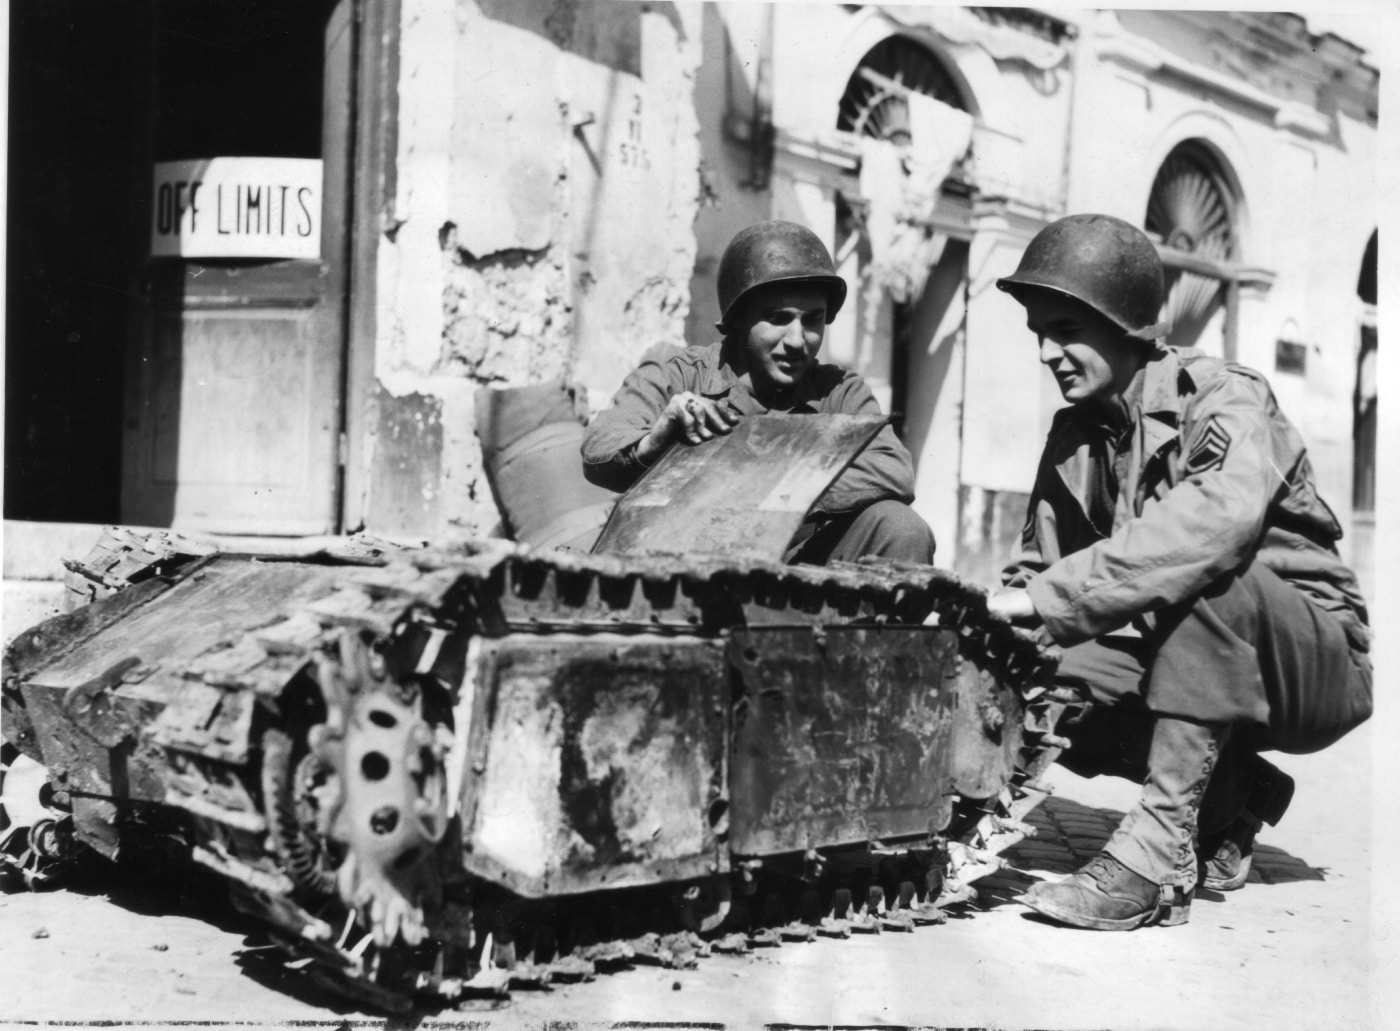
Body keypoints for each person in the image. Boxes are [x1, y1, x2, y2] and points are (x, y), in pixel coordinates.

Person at [989, 213, 1372, 930]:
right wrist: (990, 626)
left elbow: (1209, 531)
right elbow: (1039, 568)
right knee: (1032, 665)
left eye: (1066, 329)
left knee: (1202, 576)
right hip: (1197, 657)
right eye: (1040, 332)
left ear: (1125, 323)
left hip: (1313, 662)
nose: (1047, 351)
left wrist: (1043, 598)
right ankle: (1233, 794)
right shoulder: (1076, 434)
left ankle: (1155, 857)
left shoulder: (1224, 396)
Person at [582, 219, 935, 566]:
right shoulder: (676, 373)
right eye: (778, 318)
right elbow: (600, 449)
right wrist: (659, 438)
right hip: (678, 562)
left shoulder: (839, 391)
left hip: (797, 572)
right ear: (739, 319)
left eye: (812, 319)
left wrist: (766, 487)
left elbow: (893, 470)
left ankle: (860, 626)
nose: (797, 341)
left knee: (901, 528)